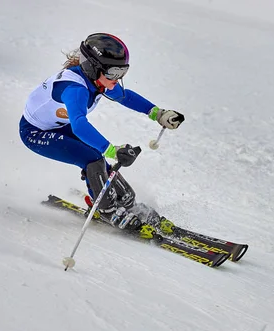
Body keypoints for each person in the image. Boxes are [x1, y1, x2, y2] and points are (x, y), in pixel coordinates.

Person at [19, 33, 184, 231]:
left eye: (122, 72)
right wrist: (111, 150)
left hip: (59, 125)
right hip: (35, 132)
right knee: (92, 158)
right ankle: (106, 210)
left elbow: (124, 97)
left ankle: (127, 201)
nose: (118, 78)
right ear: (92, 67)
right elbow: (79, 125)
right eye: (114, 72)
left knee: (98, 159)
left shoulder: (98, 79)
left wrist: (157, 113)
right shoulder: (75, 89)